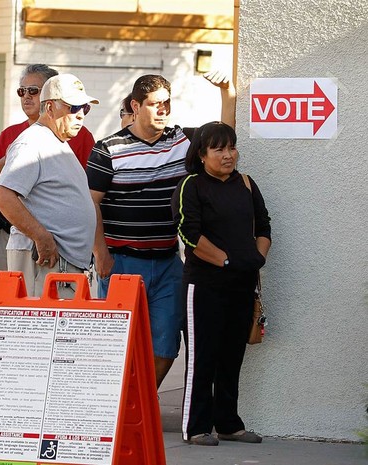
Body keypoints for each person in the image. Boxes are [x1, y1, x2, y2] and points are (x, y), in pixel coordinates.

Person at [88, 72, 236, 388]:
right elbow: (91, 205)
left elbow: (223, 137)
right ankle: (118, 403)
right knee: (118, 343)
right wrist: (101, 255)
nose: (163, 110)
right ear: (135, 105)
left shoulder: (181, 141)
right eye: (155, 104)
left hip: (169, 263)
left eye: (167, 104)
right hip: (122, 262)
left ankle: (141, 398)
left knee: (167, 340)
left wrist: (228, 92)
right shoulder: (108, 149)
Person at [172, 121, 271, 446]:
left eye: (232, 147)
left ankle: (228, 423)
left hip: (242, 286)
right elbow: (190, 233)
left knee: (232, 356)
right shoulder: (192, 185)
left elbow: (264, 224)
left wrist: (257, 258)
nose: (228, 155)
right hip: (205, 285)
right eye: (219, 149)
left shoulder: (245, 182)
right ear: (202, 154)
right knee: (203, 357)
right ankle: (196, 427)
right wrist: (226, 261)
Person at [0, 64, 95, 279]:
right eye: (73, 108)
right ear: (49, 107)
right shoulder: (32, 142)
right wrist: (42, 238)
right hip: (42, 260)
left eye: (85, 108)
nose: (81, 116)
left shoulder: (57, 140)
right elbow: (2, 195)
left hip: (61, 262)